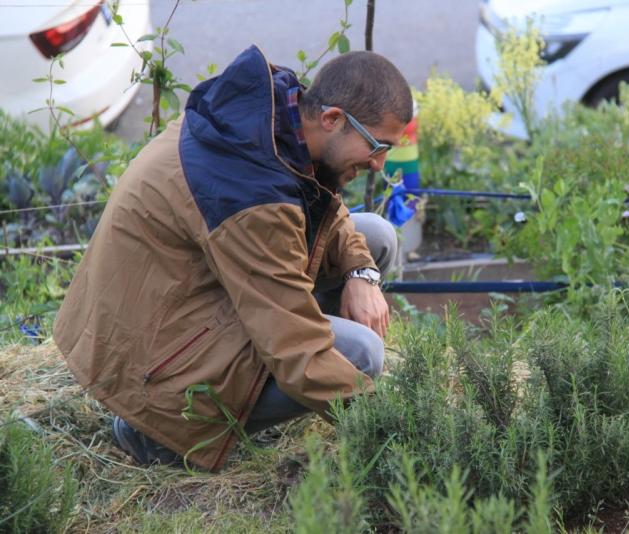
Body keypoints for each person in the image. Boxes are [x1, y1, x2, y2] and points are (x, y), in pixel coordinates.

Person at [52, 45, 413, 471]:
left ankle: (252, 392)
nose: (379, 163)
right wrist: (394, 432)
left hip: (185, 302)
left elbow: (328, 212)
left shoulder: (272, 123)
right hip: (150, 363)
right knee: (361, 355)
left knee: (375, 237)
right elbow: (296, 349)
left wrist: (362, 273)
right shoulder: (251, 194)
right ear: (332, 118)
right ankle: (159, 436)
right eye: (377, 145)